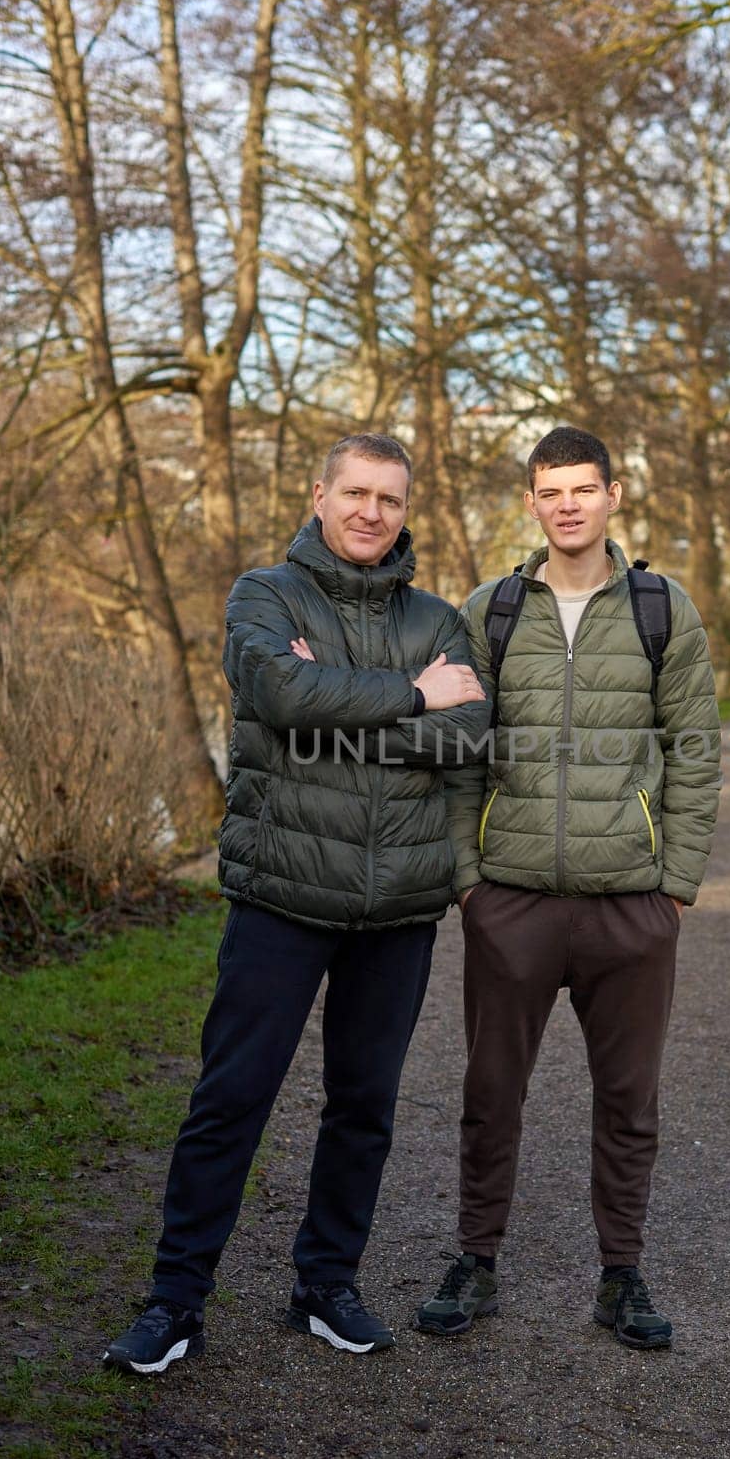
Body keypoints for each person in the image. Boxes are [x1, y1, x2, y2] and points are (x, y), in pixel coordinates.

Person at [104, 433, 488, 1372]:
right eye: (354, 493)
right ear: (320, 495)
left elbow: (469, 737)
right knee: (231, 1100)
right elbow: (277, 690)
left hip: (397, 908)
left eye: (389, 499)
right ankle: (175, 1303)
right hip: (281, 895)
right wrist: (408, 696)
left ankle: (326, 1287)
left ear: (406, 512)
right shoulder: (265, 595)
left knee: (365, 1107)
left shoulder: (440, 619)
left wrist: (341, 708)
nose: (371, 512)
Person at [415, 425, 720, 1350]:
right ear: (532, 502)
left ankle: (621, 1276)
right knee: (490, 1090)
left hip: (631, 904)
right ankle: (476, 1261)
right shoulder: (492, 609)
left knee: (629, 1100)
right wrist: (470, 882)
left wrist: (676, 888)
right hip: (512, 903)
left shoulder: (665, 610)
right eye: (551, 492)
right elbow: (463, 753)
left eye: (584, 489)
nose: (568, 506)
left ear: (614, 494)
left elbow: (696, 753)